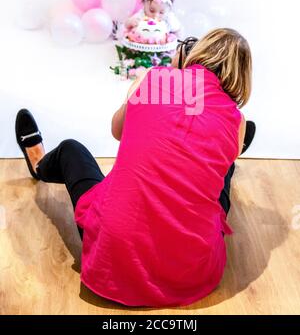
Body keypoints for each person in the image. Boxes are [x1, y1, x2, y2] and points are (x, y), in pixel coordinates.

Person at [15, 28, 255, 308]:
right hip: (190, 272)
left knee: (71, 150)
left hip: (114, 257)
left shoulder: (154, 81)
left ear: (196, 52)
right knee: (224, 170)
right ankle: (215, 152)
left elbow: (118, 130)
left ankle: (39, 164)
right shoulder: (237, 119)